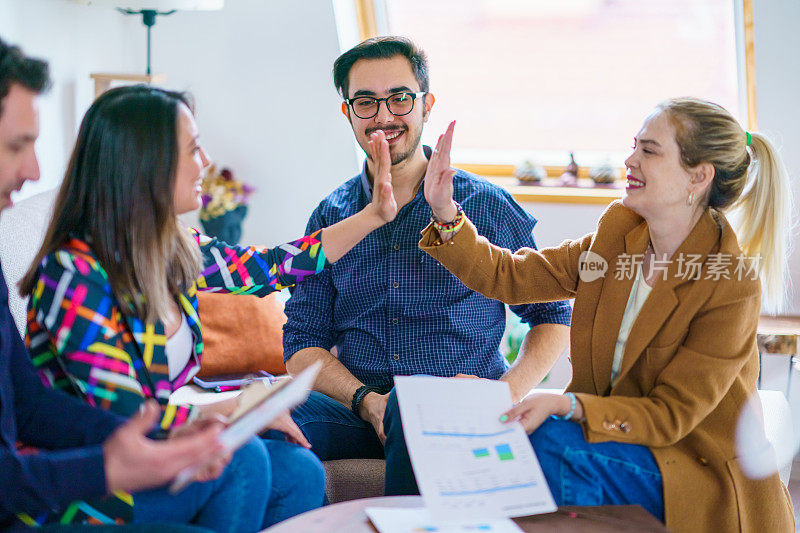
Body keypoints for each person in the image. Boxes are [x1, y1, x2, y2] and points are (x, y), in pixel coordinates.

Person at [19, 82, 400, 531]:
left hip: (156, 459)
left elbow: (272, 266)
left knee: (301, 471)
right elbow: (121, 414)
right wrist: (233, 409)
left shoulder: (169, 247)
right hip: (94, 485)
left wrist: (376, 214)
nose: (206, 162)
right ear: (146, 162)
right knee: (247, 461)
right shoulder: (72, 273)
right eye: (194, 148)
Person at [418, 102, 794, 532]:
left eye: (649, 151)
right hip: (613, 442)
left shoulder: (730, 282)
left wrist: (568, 404)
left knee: (550, 442)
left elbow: (672, 414)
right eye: (634, 146)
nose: (629, 160)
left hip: (688, 466)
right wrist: (446, 212)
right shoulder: (618, 233)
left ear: (698, 176)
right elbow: (513, 276)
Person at [281, 35, 571, 495]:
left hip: (454, 405)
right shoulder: (332, 216)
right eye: (366, 102)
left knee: (411, 404)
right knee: (267, 427)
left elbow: (553, 315)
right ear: (348, 113)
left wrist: (505, 393)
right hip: (359, 409)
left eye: (399, 99)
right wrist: (366, 401)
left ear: (425, 104)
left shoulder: (482, 203)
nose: (384, 116)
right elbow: (301, 342)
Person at [0, 37, 240, 532]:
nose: (36, 172)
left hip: (38, 482)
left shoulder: (172, 248)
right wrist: (110, 466)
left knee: (266, 467)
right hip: (34, 499)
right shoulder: (72, 271)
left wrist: (163, 436)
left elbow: (30, 405)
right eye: (16, 146)